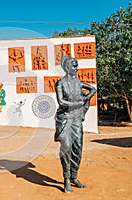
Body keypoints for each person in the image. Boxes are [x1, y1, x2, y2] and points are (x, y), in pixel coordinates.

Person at [54, 55, 96, 193]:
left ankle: (74, 176)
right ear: (67, 68)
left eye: (77, 66)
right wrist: (78, 103)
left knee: (78, 147)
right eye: (74, 66)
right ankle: (66, 178)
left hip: (77, 119)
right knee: (66, 147)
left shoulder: (78, 82)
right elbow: (61, 102)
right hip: (65, 118)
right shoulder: (60, 83)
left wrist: (87, 98)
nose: (76, 68)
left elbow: (93, 89)